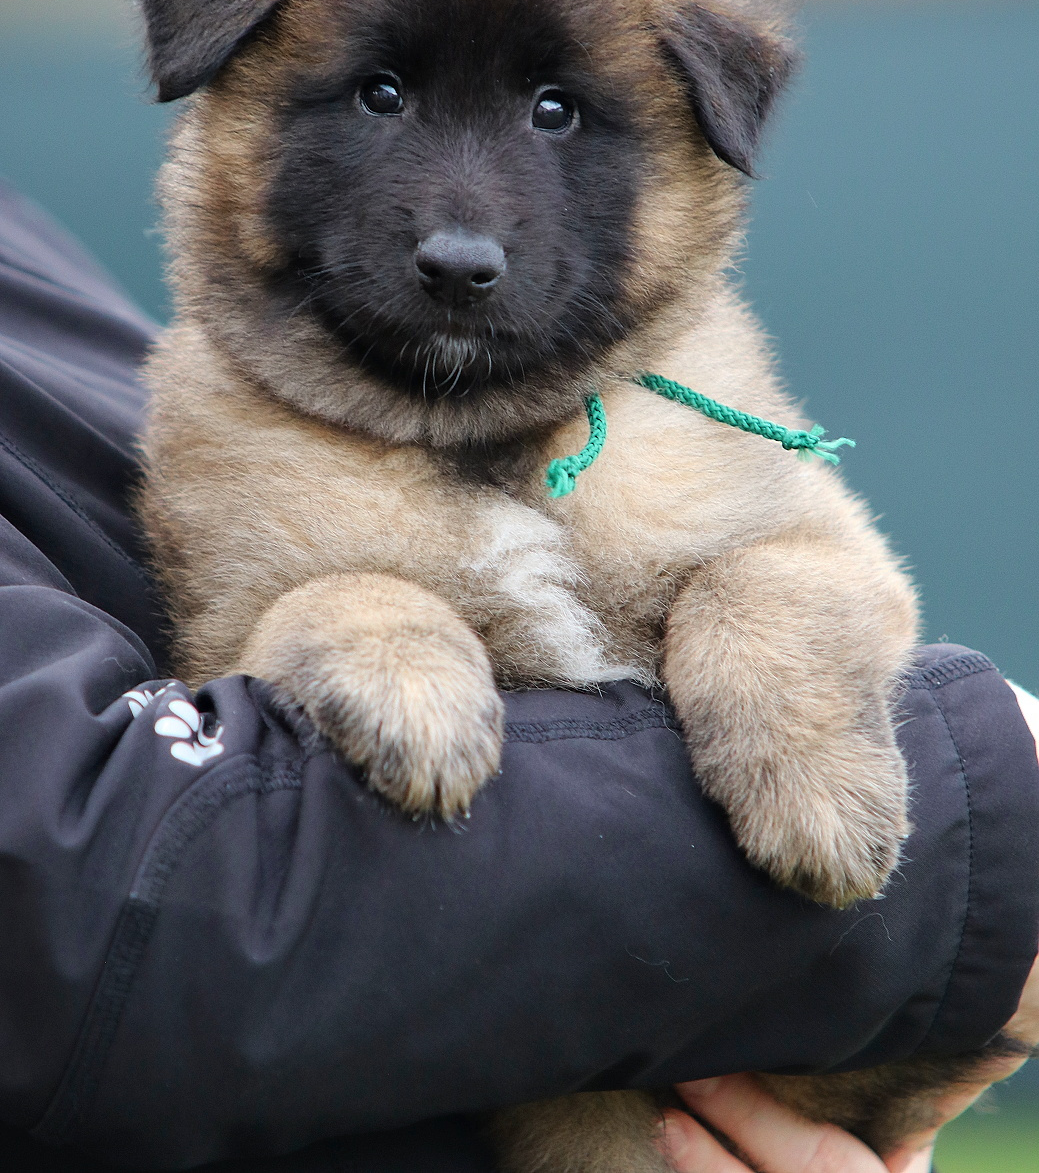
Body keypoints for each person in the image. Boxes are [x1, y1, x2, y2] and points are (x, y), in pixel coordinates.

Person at [0, 174, 1035, 1173]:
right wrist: (977, 842)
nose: (464, 229)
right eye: (379, 94)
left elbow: (829, 572)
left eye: (556, 113)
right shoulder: (228, 381)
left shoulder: (31, 260)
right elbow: (79, 882)